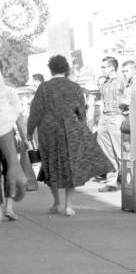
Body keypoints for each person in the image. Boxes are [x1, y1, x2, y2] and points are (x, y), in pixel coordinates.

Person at [26, 55, 113, 215]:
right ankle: (68, 205)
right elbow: (81, 111)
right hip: (71, 129)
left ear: (50, 68)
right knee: (69, 165)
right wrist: (82, 126)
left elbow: (35, 111)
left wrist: (30, 131)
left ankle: (57, 203)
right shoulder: (74, 87)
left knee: (50, 164)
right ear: (66, 69)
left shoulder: (44, 87)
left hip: (48, 130)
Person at [0, 82, 30, 220]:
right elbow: (19, 118)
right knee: (9, 171)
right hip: (7, 134)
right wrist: (25, 138)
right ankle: (9, 207)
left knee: (9, 171)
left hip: (5, 133)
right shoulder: (10, 92)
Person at [96, 56, 126, 192]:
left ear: (112, 67)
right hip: (105, 117)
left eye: (104, 67)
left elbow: (127, 98)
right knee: (106, 152)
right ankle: (111, 182)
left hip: (116, 116)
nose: (101, 69)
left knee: (120, 151)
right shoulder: (104, 82)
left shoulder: (122, 81)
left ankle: (127, 181)